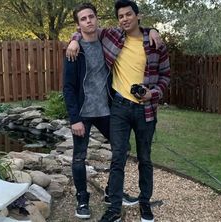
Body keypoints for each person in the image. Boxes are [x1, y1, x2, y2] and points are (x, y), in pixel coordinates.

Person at [63, 2, 163, 220]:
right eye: (83, 19)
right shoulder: (75, 50)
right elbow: (68, 87)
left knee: (123, 150)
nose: (88, 21)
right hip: (84, 113)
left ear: (96, 18)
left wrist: (153, 29)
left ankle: (112, 192)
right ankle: (82, 198)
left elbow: (163, 74)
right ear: (78, 24)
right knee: (79, 157)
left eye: (91, 17)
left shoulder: (109, 41)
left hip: (108, 110)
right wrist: (74, 118)